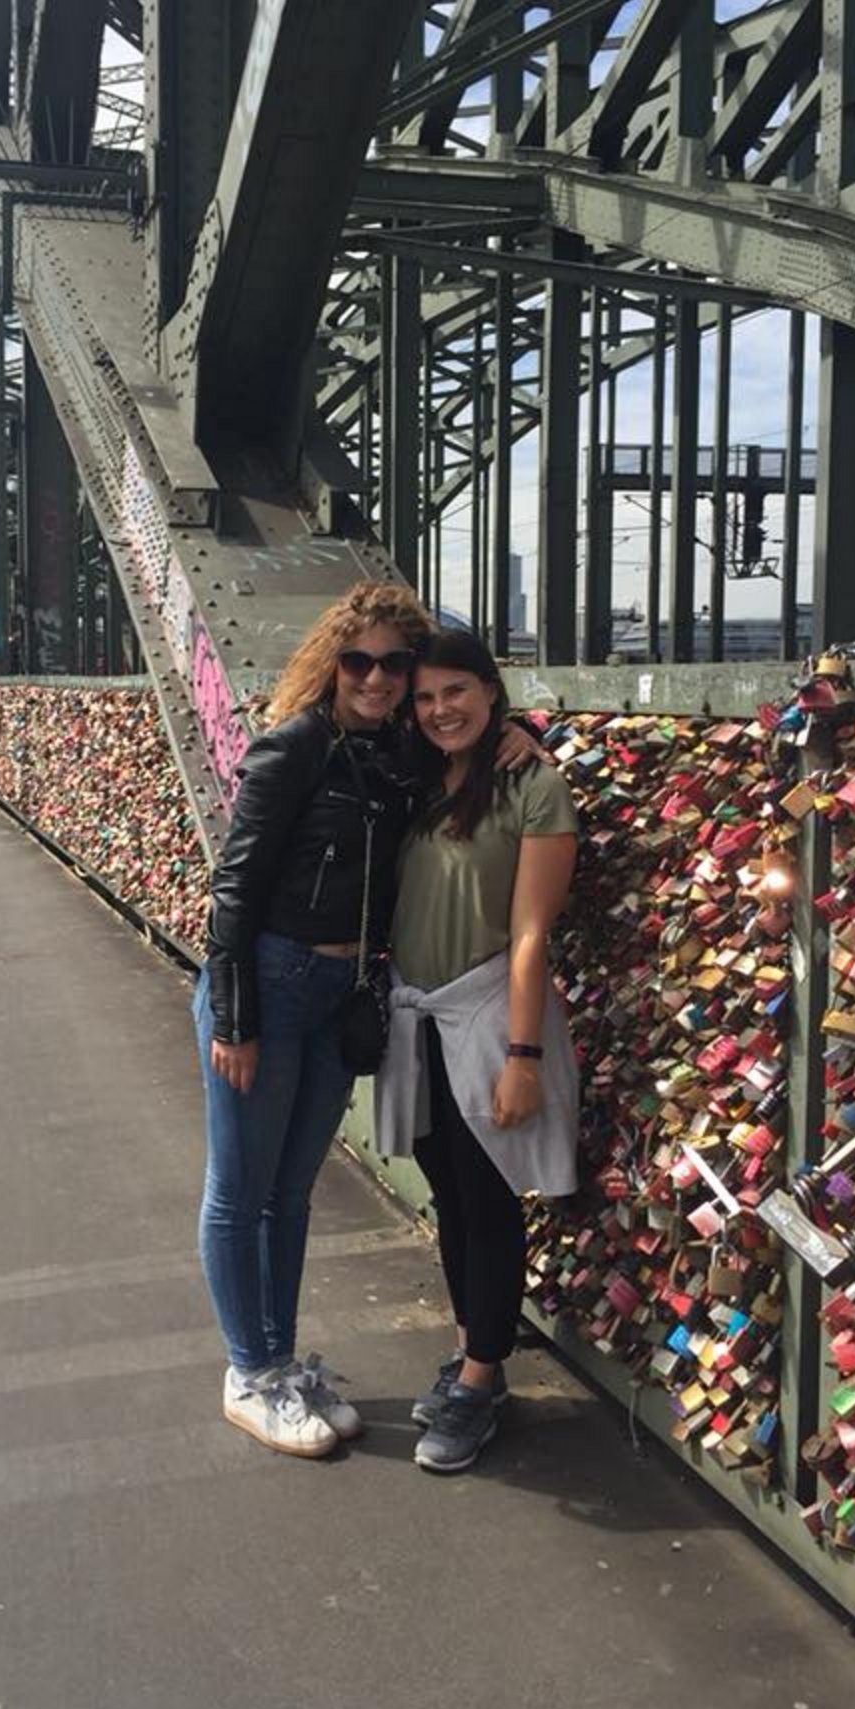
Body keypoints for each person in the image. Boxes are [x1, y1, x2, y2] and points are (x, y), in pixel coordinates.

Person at [196, 585, 542, 1460]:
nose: (382, 680)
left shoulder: (399, 756)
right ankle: (250, 1372)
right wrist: (234, 1017)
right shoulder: (295, 748)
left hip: (338, 991)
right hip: (269, 986)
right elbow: (233, 891)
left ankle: (281, 1365)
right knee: (240, 1193)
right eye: (361, 663)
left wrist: (525, 729)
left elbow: (467, 727)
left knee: (290, 1190)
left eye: (398, 665)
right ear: (332, 663)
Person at [377, 630, 578, 1475]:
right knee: (451, 1199)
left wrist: (523, 1055)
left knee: (490, 1204)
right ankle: (471, 1360)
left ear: (491, 692)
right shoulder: (418, 776)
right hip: (416, 1020)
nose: (438, 710)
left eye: (456, 691)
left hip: (489, 1019)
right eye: (424, 698)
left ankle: (482, 1376)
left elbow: (533, 933)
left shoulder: (534, 785)